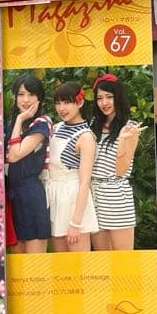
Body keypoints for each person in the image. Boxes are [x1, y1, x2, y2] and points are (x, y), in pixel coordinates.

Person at [40, 81, 99, 252]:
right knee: (61, 263)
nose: (61, 108)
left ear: (80, 103)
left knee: (80, 263)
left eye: (67, 102)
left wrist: (76, 223)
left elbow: (84, 181)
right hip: (54, 195)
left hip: (74, 198)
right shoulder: (56, 128)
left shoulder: (86, 136)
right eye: (58, 103)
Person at [89, 74, 144, 251]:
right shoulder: (93, 124)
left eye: (109, 97)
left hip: (116, 196)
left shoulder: (130, 127)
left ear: (118, 97)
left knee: (123, 259)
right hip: (93, 195)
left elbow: (121, 170)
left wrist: (121, 140)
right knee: (103, 258)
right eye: (99, 98)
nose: (104, 102)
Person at [5, 75, 52, 254]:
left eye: (31, 94)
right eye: (21, 94)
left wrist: (19, 120)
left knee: (35, 262)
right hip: (12, 195)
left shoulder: (42, 124)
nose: (25, 100)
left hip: (30, 194)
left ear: (39, 97)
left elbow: (14, 155)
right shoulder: (10, 124)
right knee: (17, 260)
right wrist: (17, 121)